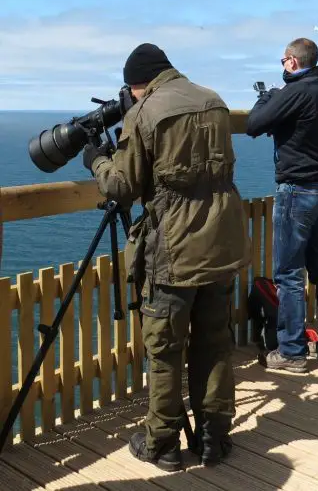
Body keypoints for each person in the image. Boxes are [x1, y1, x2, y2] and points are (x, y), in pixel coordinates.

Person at [83, 43, 251, 471]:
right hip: (222, 241)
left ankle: (163, 444)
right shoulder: (214, 100)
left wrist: (98, 161)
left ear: (136, 85)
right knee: (214, 343)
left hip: (174, 250)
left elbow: (123, 187)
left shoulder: (145, 112)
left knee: (165, 349)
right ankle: (214, 438)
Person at [246, 37, 318, 372]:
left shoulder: (296, 91)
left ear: (291, 61)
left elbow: (253, 125)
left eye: (283, 61)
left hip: (296, 191)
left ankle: (291, 352)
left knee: (289, 273)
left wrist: (268, 98)